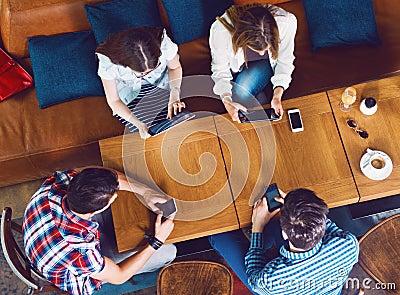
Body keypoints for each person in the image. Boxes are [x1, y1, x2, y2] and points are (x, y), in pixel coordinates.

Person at [22, 167, 176, 295]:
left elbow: (105, 174)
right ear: (98, 209)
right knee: (168, 251)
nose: (116, 195)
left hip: (44, 237)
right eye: (112, 198)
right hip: (74, 270)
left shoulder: (58, 184)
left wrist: (145, 192)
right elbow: (119, 276)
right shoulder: (81, 251)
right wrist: (157, 241)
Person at [209, 188, 359, 294]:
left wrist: (258, 226)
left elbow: (254, 277)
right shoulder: (349, 246)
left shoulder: (269, 281)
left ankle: (258, 238)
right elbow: (328, 225)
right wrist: (302, 207)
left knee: (219, 237)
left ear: (285, 234)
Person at [209, 4, 297, 122]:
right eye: (256, 50)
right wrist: (227, 101)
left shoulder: (286, 23)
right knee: (243, 101)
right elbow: (220, 70)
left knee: (240, 94)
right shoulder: (221, 31)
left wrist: (277, 94)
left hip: (263, 64)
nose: (261, 53)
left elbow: (285, 61)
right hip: (236, 69)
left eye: (266, 49)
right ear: (241, 38)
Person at [96, 27, 185, 139]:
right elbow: (114, 101)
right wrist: (138, 124)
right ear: (125, 64)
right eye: (141, 73)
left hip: (161, 84)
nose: (147, 74)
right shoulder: (108, 63)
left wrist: (175, 95)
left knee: (179, 127)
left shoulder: (164, 43)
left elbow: (175, 67)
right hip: (130, 93)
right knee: (153, 136)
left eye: (154, 68)